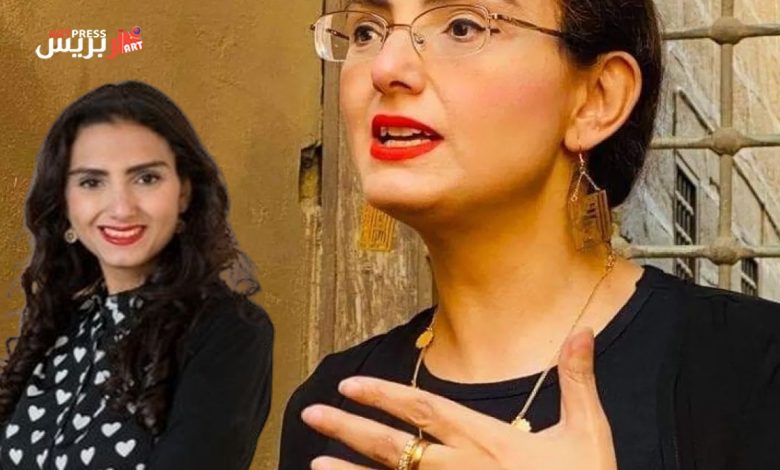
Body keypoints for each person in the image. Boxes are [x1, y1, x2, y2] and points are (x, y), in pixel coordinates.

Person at [280, 1, 780, 469]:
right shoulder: (330, 406)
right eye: (366, 32)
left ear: (597, 99)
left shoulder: (749, 369)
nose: (386, 67)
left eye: (462, 27)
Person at [0, 81, 273, 470]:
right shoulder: (58, 326)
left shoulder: (228, 333)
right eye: (92, 182)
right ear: (65, 204)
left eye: (146, 178)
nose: (121, 207)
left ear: (184, 192)